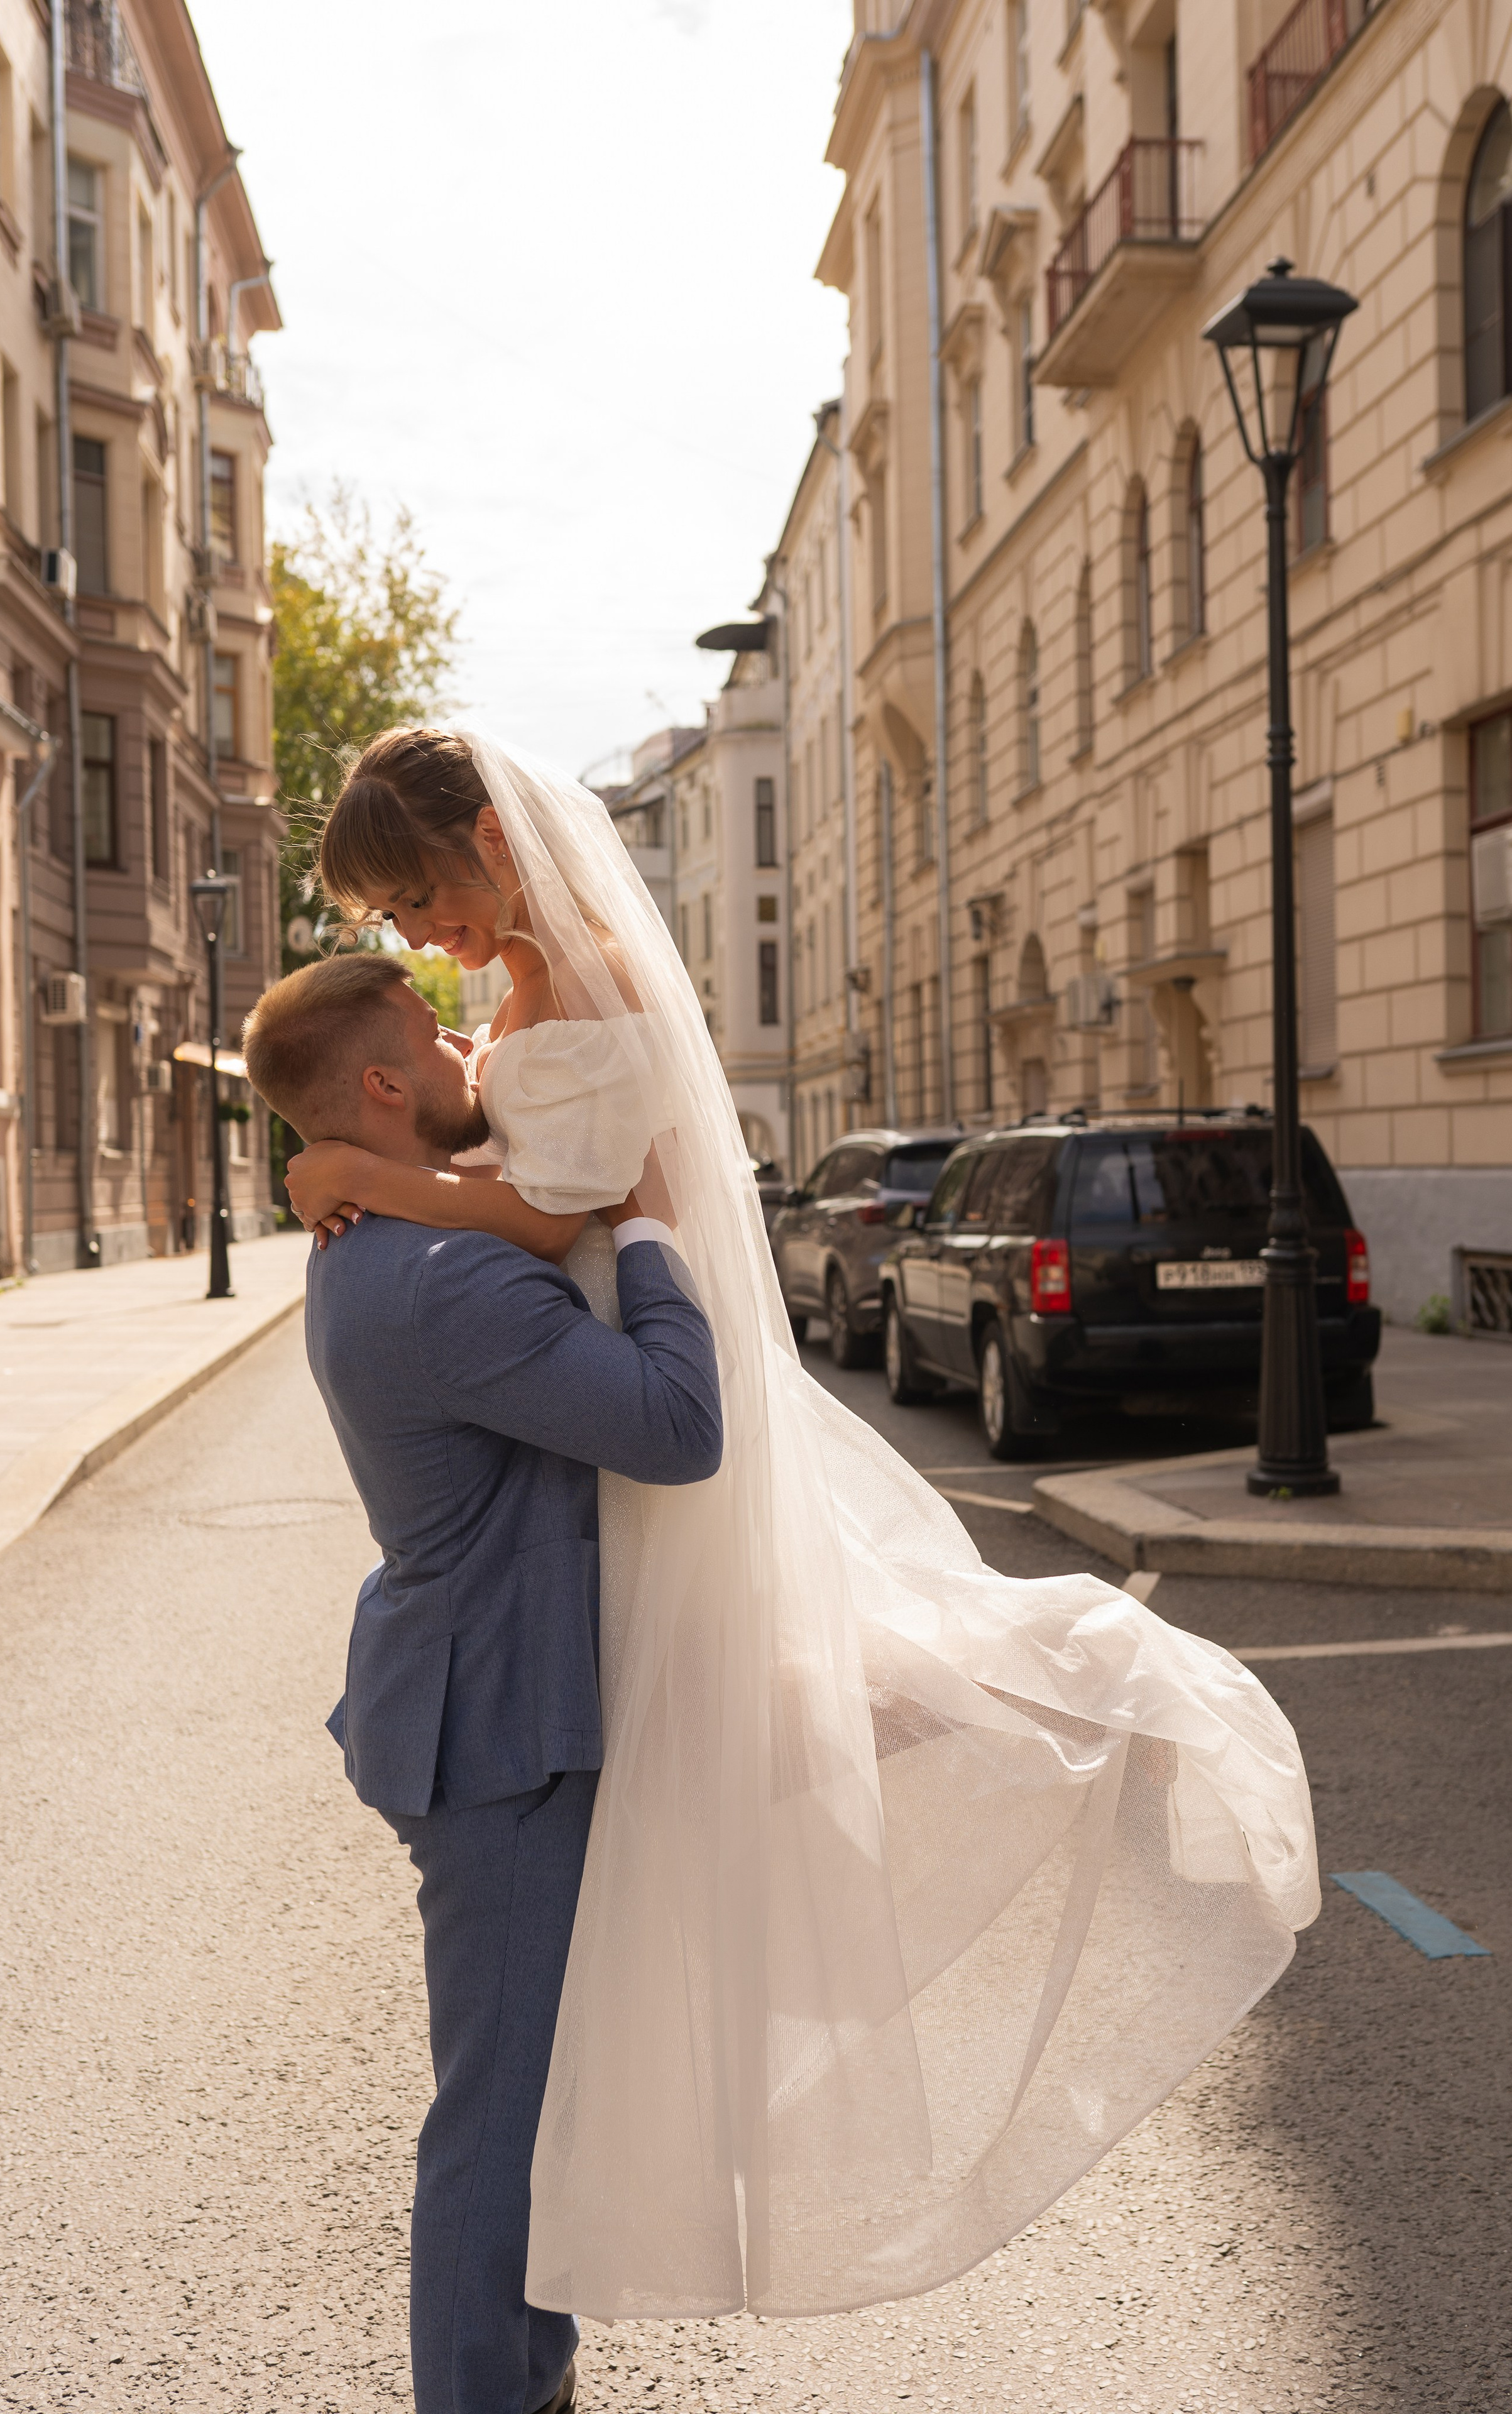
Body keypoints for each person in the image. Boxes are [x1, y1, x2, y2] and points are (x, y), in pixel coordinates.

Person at [285, 724, 1321, 2324]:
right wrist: (403, 1155)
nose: (421, 943)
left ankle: (1091, 1688)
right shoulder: (527, 990)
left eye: (420, 898)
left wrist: (365, 1167)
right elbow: (528, 1161)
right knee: (723, 1750)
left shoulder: (587, 974)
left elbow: (555, 1210)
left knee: (751, 1726)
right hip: (603, 1402)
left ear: (492, 838)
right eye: (396, 927)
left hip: (640, 1368)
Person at [241, 949, 723, 2414]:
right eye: (435, 1040)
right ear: (385, 1084)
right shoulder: (441, 1278)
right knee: (500, 2121)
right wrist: (648, 1236)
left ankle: (529, 2377)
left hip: (481, 1695)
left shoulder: (397, 1236)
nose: (471, 1046)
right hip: (497, 1731)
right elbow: (673, 1422)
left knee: (529, 2099)